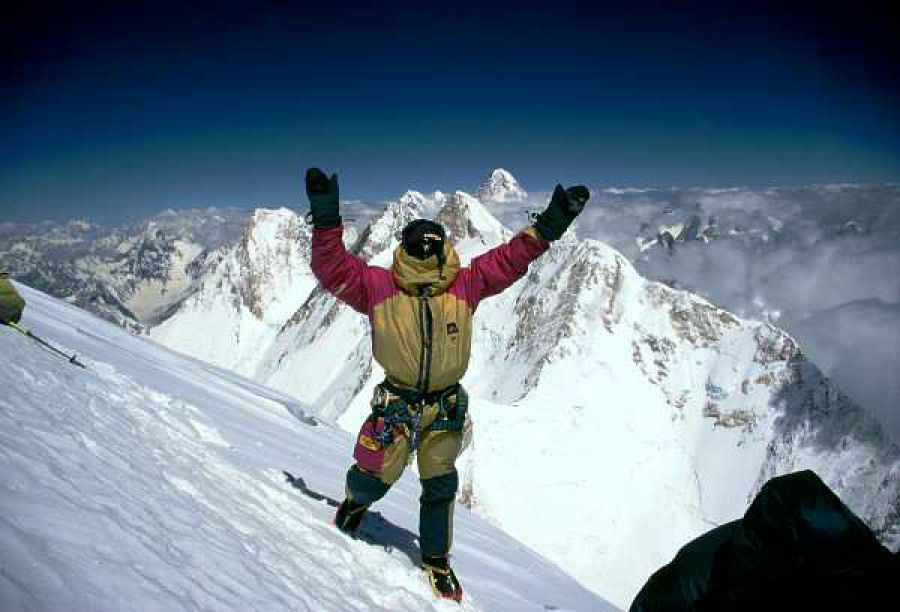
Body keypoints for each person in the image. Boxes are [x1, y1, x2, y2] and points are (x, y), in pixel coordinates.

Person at [306, 167, 589, 601]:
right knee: (374, 474)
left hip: (444, 407)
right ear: (408, 250)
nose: (425, 250)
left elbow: (510, 259)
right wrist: (325, 217)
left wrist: (551, 224)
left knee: (440, 485)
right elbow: (332, 268)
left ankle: (436, 559)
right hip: (398, 404)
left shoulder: (460, 284)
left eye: (430, 244)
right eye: (420, 245)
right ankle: (356, 502)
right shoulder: (382, 287)